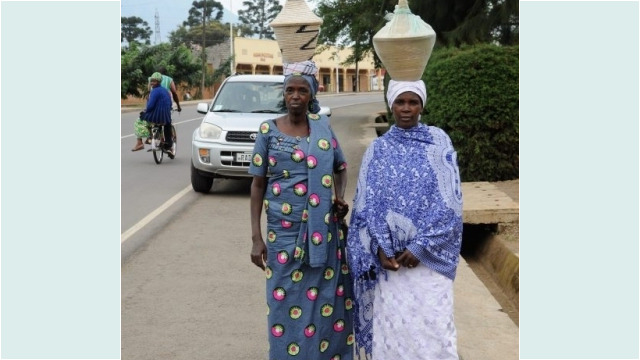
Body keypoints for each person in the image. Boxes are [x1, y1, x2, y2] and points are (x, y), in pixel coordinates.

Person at [346, 79, 464, 360]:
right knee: (394, 336)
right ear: (391, 105)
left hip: (429, 265)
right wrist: (378, 250)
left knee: (434, 333)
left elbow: (451, 204)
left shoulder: (438, 143)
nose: (406, 109)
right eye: (400, 102)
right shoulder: (378, 150)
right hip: (392, 267)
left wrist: (420, 247)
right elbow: (365, 208)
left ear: (422, 104)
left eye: (413, 102)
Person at [248, 61, 354, 360]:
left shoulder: (322, 128)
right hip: (283, 235)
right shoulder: (268, 131)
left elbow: (340, 167)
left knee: (323, 303)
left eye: (302, 90)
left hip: (323, 233)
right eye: (290, 90)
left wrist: (339, 196)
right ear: (284, 93)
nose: (295, 95)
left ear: (312, 95)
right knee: (283, 302)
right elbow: (257, 186)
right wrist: (256, 238)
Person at [132, 72, 174, 157]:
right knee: (167, 125)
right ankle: (167, 144)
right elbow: (170, 104)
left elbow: (150, 106)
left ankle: (142, 141)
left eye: (154, 81)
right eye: (151, 81)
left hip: (156, 116)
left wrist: (145, 110)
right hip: (166, 117)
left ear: (158, 82)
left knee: (139, 121)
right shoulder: (166, 91)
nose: (152, 83)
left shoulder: (154, 91)